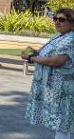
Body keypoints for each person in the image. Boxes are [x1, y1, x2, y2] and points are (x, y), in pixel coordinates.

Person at [22, 8, 74, 139]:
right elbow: (48, 53)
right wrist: (35, 53)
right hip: (54, 89)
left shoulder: (71, 39)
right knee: (61, 125)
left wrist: (32, 59)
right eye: (55, 19)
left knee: (62, 123)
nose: (57, 22)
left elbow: (55, 61)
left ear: (72, 23)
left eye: (61, 19)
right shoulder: (59, 36)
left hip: (62, 90)